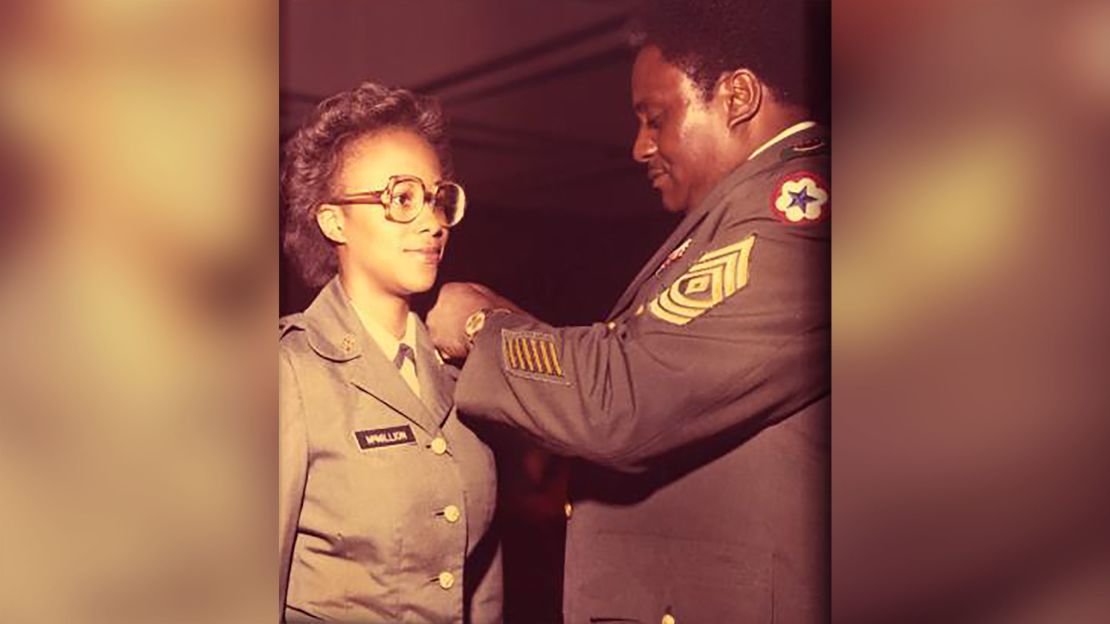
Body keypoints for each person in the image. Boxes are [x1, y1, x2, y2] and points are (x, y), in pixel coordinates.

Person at [426, 1, 829, 622]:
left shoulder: (794, 217)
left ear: (738, 96)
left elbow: (627, 396)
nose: (639, 146)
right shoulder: (735, 220)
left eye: (656, 118)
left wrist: (483, 328)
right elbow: (642, 360)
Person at [278, 82, 501, 623]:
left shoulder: (460, 369)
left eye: (437, 198)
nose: (432, 222)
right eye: (402, 198)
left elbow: (481, 580)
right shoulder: (289, 372)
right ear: (334, 222)